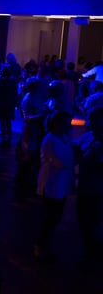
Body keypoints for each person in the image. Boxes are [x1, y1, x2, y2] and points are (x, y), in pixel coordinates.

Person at [33, 111, 74, 262]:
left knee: (55, 217)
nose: (69, 126)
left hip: (60, 184)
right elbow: (62, 162)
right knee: (51, 218)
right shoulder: (50, 140)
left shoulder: (64, 138)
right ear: (56, 124)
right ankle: (40, 246)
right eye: (66, 123)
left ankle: (45, 246)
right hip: (51, 184)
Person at [75, 108, 103, 269]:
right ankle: (89, 254)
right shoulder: (87, 136)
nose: (91, 123)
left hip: (98, 189)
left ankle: (93, 257)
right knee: (84, 222)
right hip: (84, 186)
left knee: (95, 223)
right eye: (91, 119)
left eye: (96, 120)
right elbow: (78, 152)